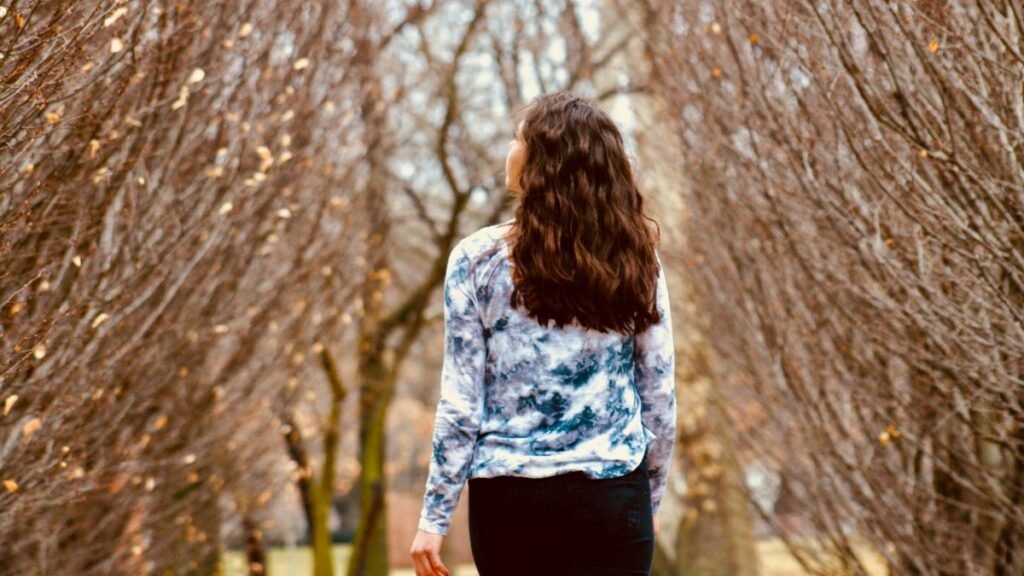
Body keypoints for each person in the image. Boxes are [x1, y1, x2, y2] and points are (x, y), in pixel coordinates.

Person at [409, 90, 677, 576]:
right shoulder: (636, 260)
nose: (510, 149)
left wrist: (435, 516)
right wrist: (649, 499)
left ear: (542, 163)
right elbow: (658, 394)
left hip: (511, 502)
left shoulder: (477, 261)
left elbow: (462, 403)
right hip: (614, 495)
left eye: (518, 139)